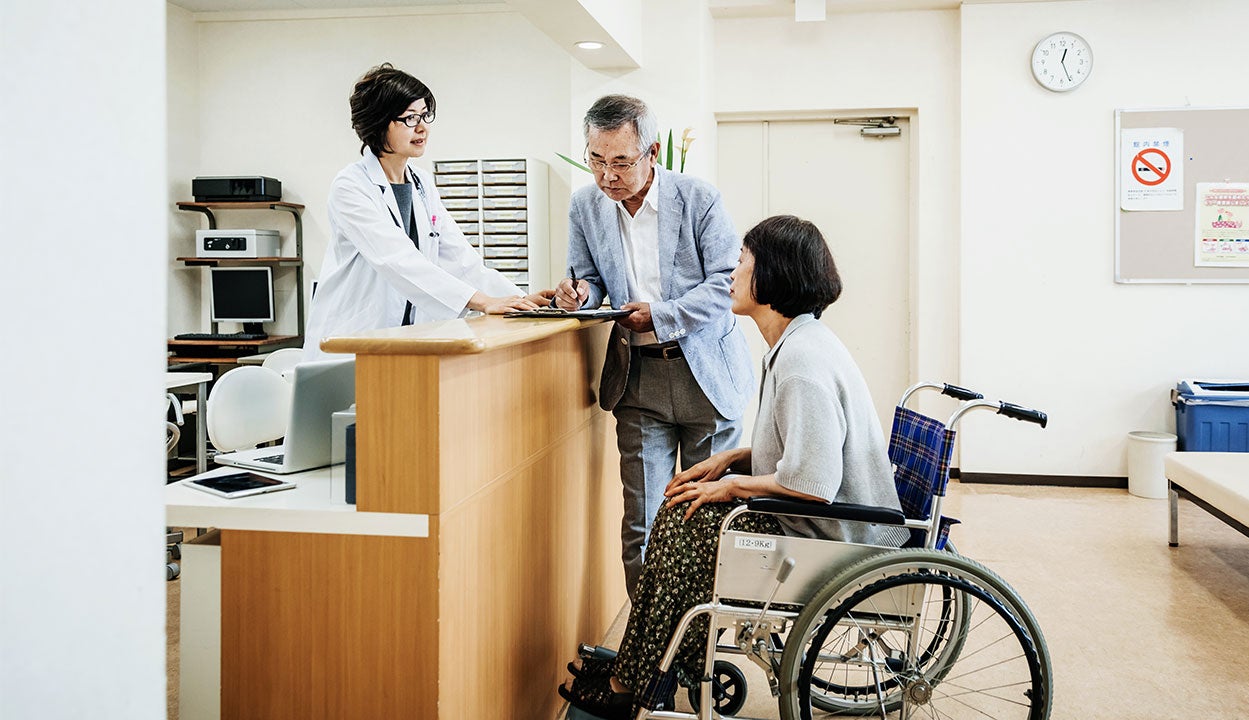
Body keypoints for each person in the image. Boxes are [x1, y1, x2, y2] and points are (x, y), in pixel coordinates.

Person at [558, 214, 902, 719]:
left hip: (838, 533)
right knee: (678, 511)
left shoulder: (803, 362)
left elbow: (813, 481)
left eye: (743, 262)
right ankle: (642, 665)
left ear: (771, 279)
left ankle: (637, 675)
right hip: (817, 519)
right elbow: (798, 450)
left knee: (691, 524)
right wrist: (731, 459)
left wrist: (735, 485)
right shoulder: (794, 344)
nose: (733, 274)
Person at [553, 94, 754, 596]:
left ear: (653, 152)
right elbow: (592, 279)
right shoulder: (586, 205)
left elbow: (726, 284)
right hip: (637, 380)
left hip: (705, 375)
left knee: (705, 521)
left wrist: (660, 315)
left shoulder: (698, 199)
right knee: (642, 525)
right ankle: (652, 658)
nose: (606, 176)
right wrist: (579, 292)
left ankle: (698, 648)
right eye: (595, 160)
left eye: (620, 161)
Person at [303, 63, 549, 360]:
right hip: (350, 342)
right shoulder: (351, 187)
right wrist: (482, 302)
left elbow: (461, 260)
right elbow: (397, 260)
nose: (422, 128)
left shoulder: (421, 183)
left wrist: (520, 302)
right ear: (378, 123)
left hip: (406, 340)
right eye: (409, 118)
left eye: (424, 116)